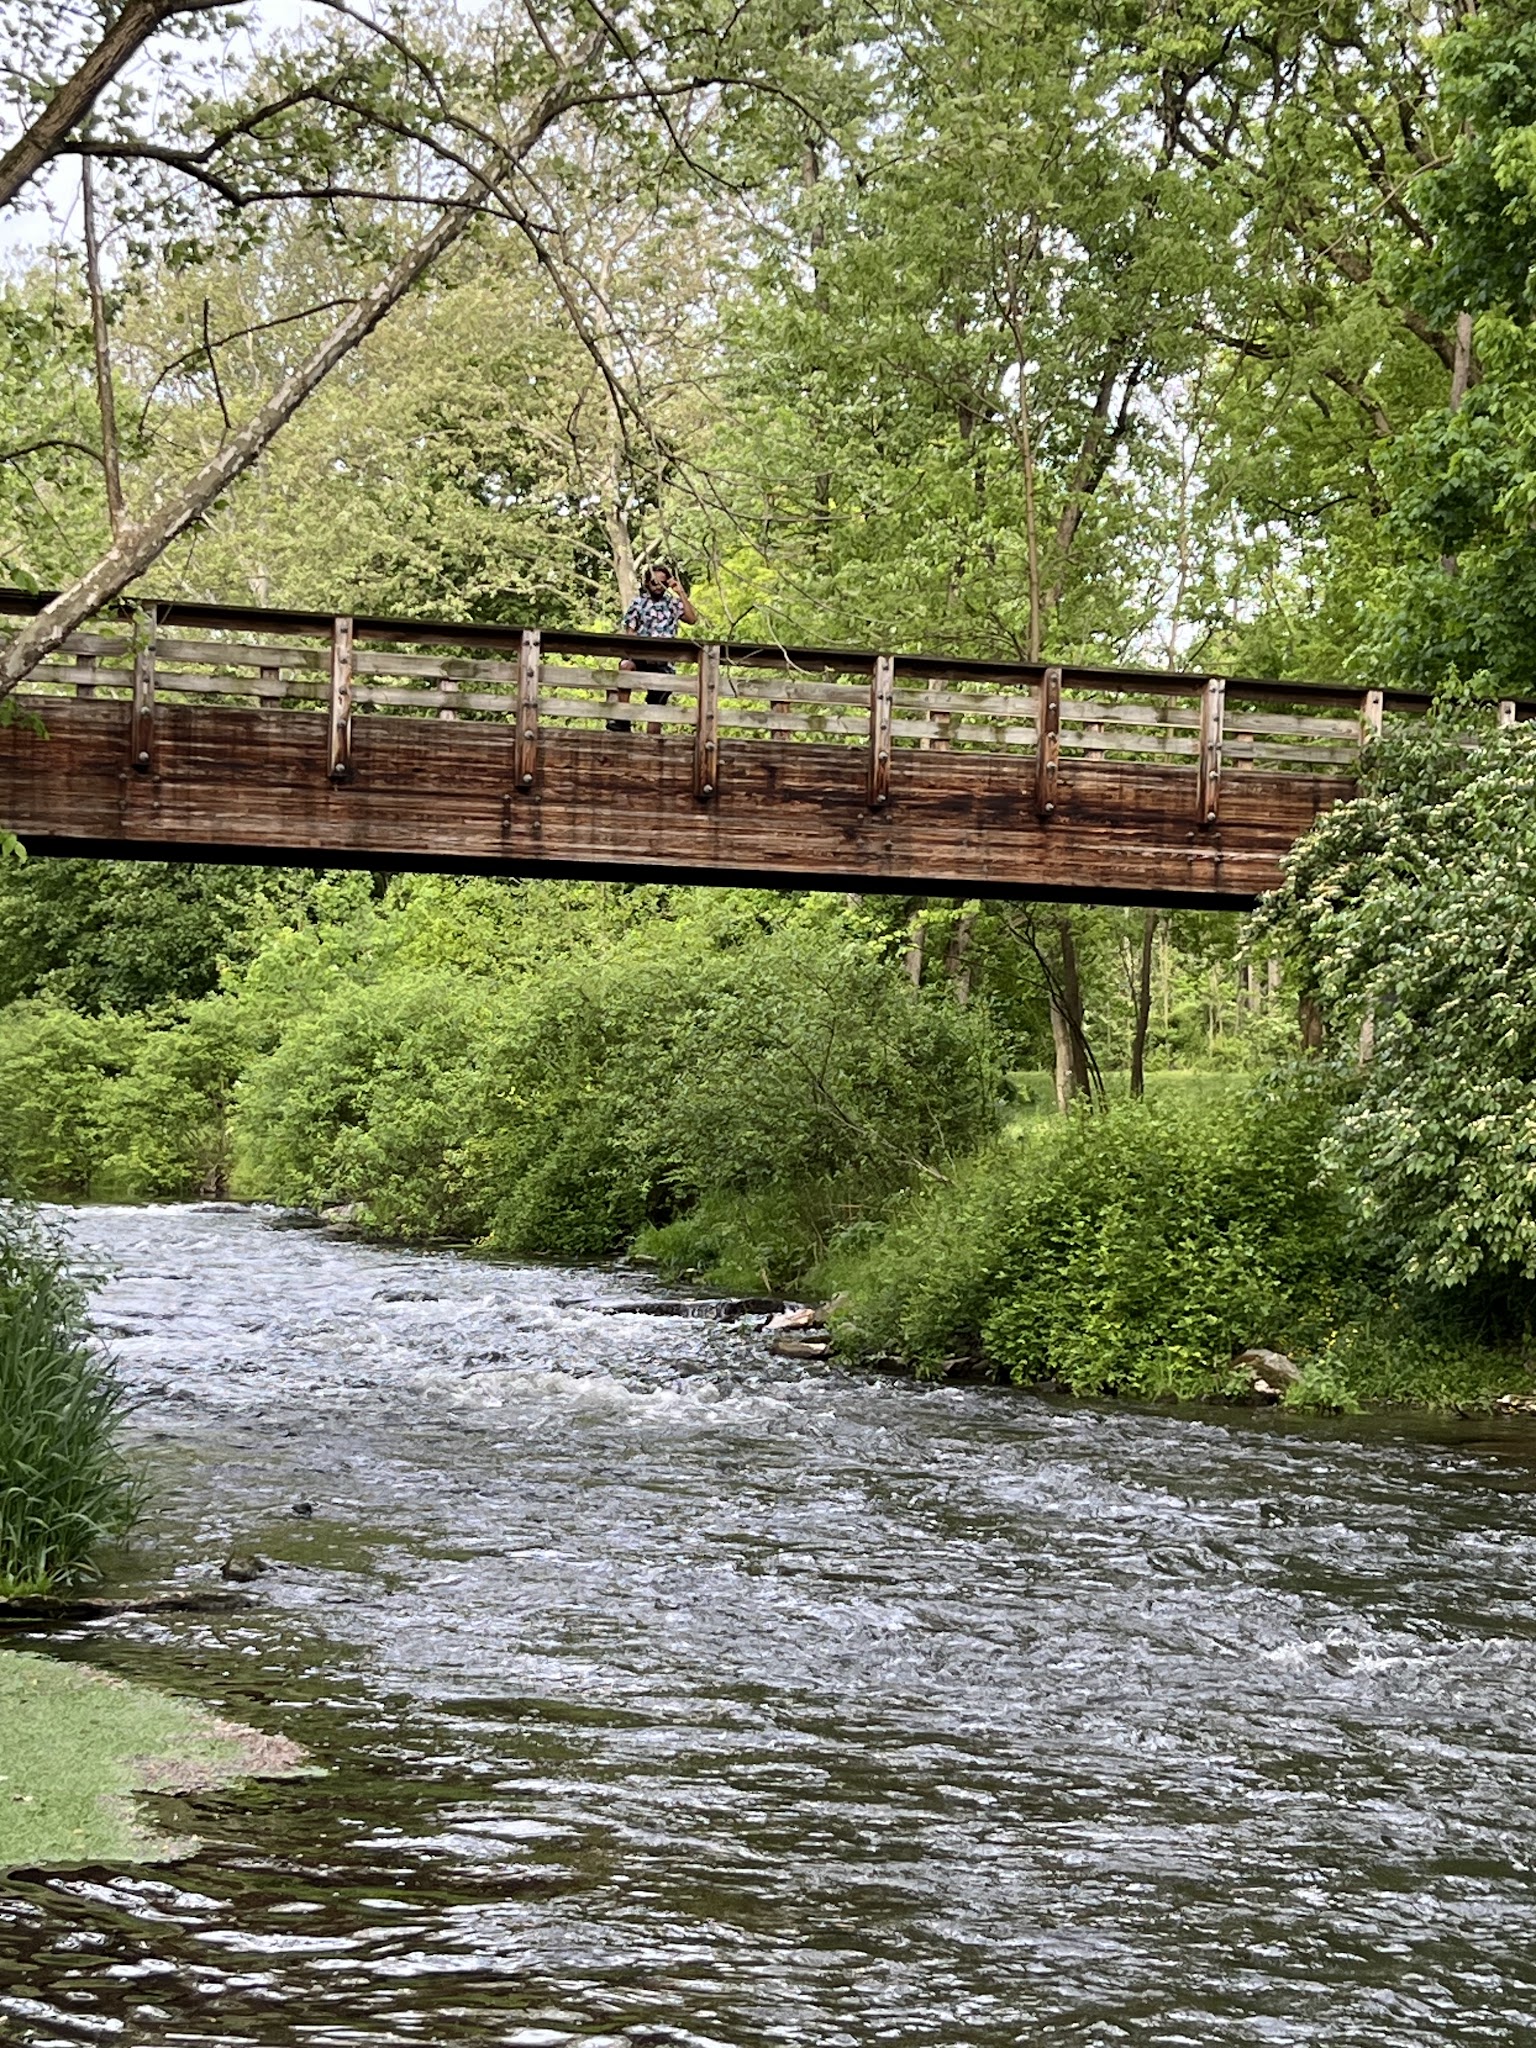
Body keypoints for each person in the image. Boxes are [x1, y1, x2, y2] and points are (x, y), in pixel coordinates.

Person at [608, 565, 697, 732]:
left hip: (664, 661)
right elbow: (630, 631)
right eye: (654, 583)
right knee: (626, 666)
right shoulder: (639, 602)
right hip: (642, 655)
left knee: (656, 706)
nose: (658, 587)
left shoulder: (672, 604)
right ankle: (623, 718)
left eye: (662, 583)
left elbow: (692, 619)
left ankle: (652, 742)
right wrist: (635, 648)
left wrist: (680, 592)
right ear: (647, 583)